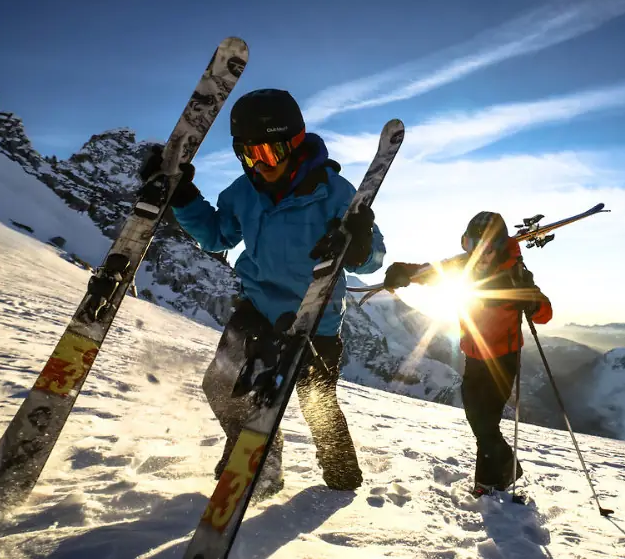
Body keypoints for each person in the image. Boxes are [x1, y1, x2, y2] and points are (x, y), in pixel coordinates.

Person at [138, 88, 384, 499]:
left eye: (270, 154)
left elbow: (371, 259)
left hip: (315, 317)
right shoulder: (243, 191)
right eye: (249, 156)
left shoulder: (334, 192)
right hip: (257, 308)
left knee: (315, 402)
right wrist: (183, 198)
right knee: (220, 385)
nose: (260, 166)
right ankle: (255, 454)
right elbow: (218, 236)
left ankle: (342, 476)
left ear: (296, 144)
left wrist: (359, 244)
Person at [382, 211, 551, 494]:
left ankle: (486, 483)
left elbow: (545, 312)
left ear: (500, 247)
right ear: (466, 245)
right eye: (475, 245)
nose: (482, 254)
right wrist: (404, 272)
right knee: (478, 419)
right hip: (474, 356)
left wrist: (533, 303)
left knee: (485, 423)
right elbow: (429, 272)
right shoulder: (462, 268)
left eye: (490, 247)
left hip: (504, 358)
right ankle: (503, 472)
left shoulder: (514, 274)